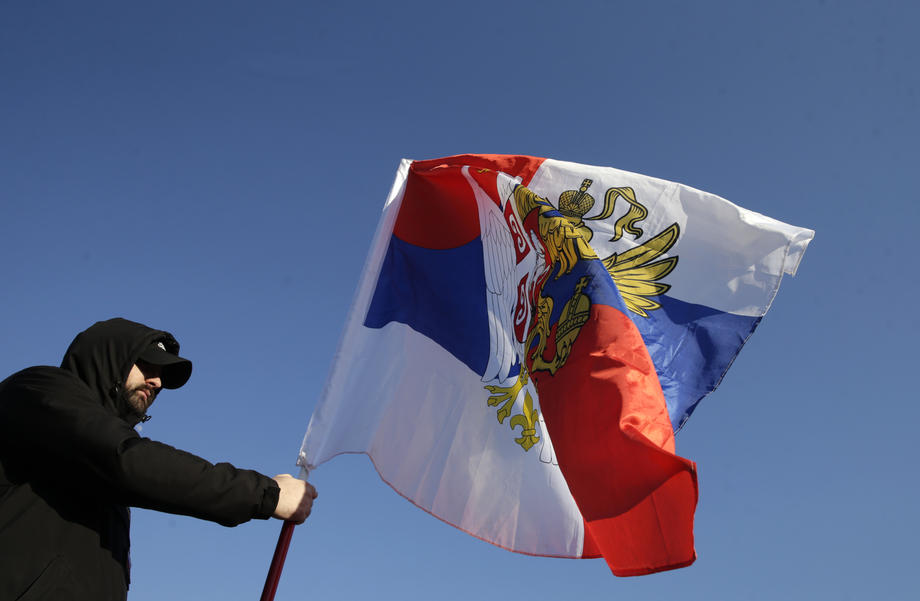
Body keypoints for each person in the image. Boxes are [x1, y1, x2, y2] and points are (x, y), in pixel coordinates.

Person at [0, 318, 317, 600]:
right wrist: (265, 493)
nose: (157, 382)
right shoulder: (38, 391)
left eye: (162, 375)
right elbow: (127, 460)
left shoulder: (105, 485)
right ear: (109, 357)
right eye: (147, 366)